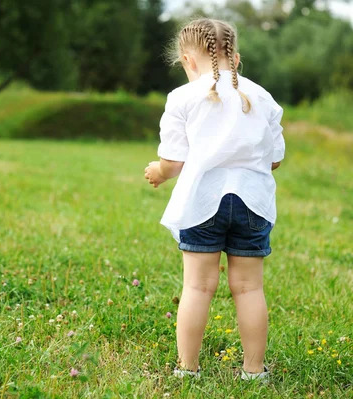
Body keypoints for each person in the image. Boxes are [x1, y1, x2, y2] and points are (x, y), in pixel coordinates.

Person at [144, 18, 285, 381]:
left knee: (197, 286)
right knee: (249, 287)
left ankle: (187, 369)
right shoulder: (263, 97)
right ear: (235, 58)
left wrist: (159, 172)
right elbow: (275, 159)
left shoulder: (182, 97)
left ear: (188, 61)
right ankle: (254, 371)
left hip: (202, 202)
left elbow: (173, 162)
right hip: (252, 203)